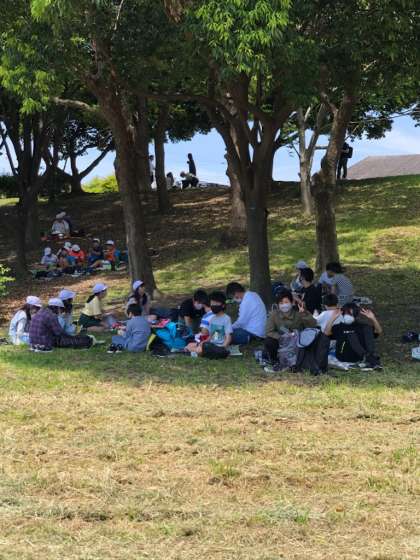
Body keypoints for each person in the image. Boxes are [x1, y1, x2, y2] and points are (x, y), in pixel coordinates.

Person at [264, 289, 318, 371]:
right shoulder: (274, 315)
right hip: (281, 341)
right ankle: (275, 360)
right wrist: (281, 337)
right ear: (278, 305)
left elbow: (313, 325)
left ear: (292, 302)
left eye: (286, 302)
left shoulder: (298, 313)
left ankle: (299, 360)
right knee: (269, 341)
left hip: (297, 342)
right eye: (281, 303)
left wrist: (304, 314)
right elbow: (269, 331)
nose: (284, 305)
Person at [325, 303, 382, 370]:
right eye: (346, 314)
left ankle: (369, 356)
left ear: (355, 315)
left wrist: (373, 318)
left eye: (350, 314)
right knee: (351, 335)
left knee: (367, 329)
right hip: (343, 356)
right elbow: (326, 333)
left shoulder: (362, 326)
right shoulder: (339, 327)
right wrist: (332, 318)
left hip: (359, 357)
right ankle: (370, 359)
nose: (348, 316)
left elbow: (378, 331)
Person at [186, 291, 232, 356]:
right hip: (211, 344)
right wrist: (204, 342)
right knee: (190, 345)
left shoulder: (226, 318)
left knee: (199, 349)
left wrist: (223, 347)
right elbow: (211, 335)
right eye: (212, 303)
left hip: (219, 346)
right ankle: (195, 351)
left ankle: (196, 352)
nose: (213, 306)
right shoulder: (212, 319)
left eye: (216, 303)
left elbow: (228, 336)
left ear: (223, 305)